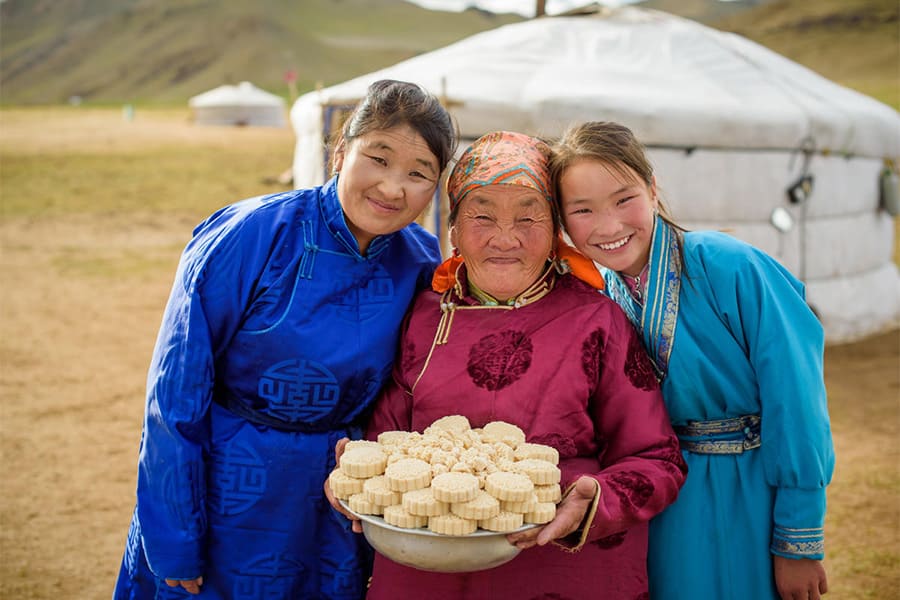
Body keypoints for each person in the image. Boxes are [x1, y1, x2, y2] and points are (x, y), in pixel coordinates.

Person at [113, 79, 457, 599]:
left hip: (335, 503)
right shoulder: (250, 234)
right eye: (378, 159)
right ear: (341, 152)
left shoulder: (422, 262)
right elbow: (174, 394)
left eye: (418, 174)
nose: (392, 188)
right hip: (228, 488)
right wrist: (176, 535)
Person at [328, 131, 688, 598]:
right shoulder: (423, 315)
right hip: (427, 563)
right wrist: (360, 473)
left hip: (560, 566)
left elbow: (655, 458)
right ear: (453, 229)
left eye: (528, 217)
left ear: (556, 230)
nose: (505, 238)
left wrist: (593, 501)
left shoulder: (596, 320)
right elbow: (388, 438)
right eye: (481, 216)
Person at [550, 121, 835, 600]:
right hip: (657, 499)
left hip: (747, 492)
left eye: (624, 199)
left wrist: (797, 541)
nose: (608, 226)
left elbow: (798, 400)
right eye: (582, 210)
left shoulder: (730, 265)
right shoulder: (599, 296)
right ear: (562, 221)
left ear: (653, 187)